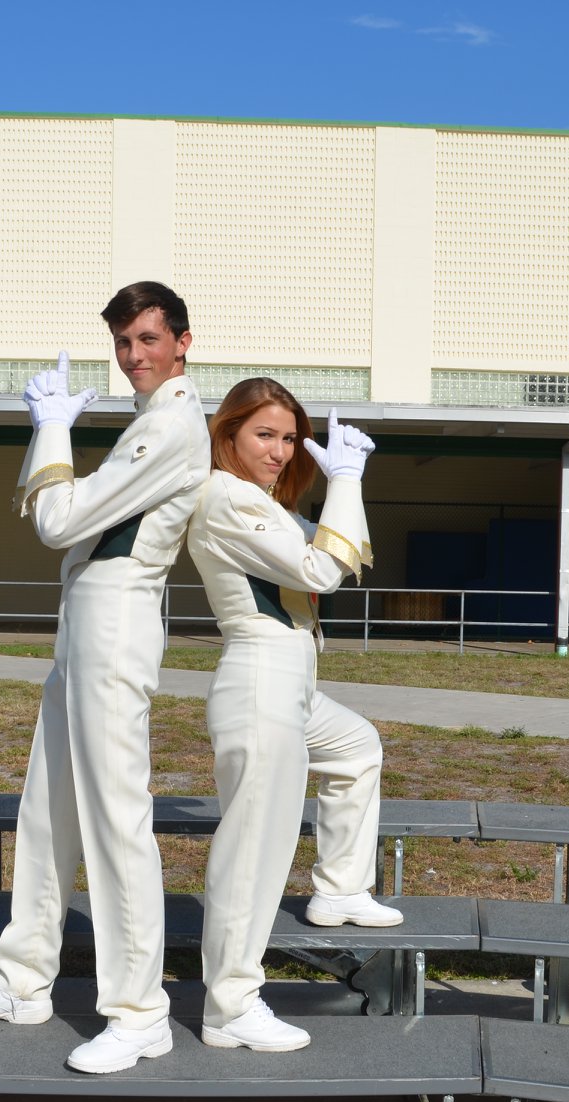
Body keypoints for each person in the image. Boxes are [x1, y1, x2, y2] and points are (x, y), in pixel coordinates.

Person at [0, 282, 210, 1075]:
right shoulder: (150, 422)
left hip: (116, 626)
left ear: (183, 342)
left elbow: (58, 521)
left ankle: (140, 1012)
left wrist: (51, 427)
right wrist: (53, 436)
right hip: (87, 622)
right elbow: (71, 516)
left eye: (148, 339)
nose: (133, 355)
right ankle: (23, 982)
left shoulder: (173, 424)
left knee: (116, 821)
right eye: (123, 341)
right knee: (47, 810)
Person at [186, 377, 402, 1054]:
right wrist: (346, 480)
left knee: (357, 747)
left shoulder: (263, 502)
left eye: (287, 437)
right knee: (254, 851)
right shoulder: (223, 497)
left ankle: (339, 890)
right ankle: (230, 1007)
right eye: (263, 434)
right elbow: (321, 571)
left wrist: (345, 485)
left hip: (291, 685)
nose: (279, 451)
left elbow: (345, 548)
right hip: (259, 680)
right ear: (227, 434)